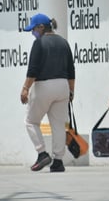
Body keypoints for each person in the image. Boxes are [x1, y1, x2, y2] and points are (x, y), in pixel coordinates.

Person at [20, 13, 75, 173]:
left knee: (31, 121)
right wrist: (71, 91)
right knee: (58, 125)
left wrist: (25, 88)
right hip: (63, 86)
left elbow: (33, 70)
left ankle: (42, 153)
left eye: (33, 29)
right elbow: (71, 70)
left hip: (44, 85)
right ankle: (58, 161)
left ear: (41, 27)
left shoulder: (39, 43)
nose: (33, 33)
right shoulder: (64, 43)